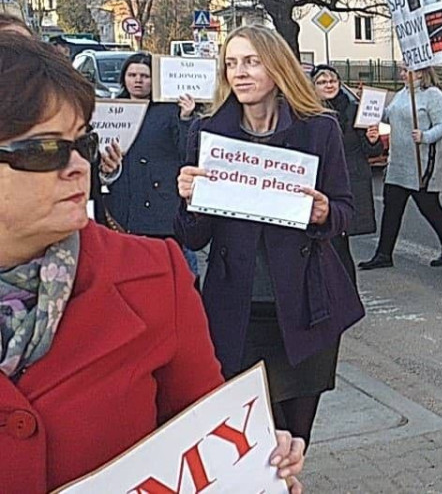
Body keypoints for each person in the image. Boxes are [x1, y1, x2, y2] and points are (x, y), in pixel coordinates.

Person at [0, 34, 306, 493]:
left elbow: (206, 443)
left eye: (82, 143)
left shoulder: (153, 275)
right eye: (44, 150)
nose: (78, 167)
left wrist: (253, 469)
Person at [176, 25, 365, 446]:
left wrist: (324, 213)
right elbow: (193, 238)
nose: (239, 72)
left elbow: (347, 211)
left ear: (277, 67)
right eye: (231, 63)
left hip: (303, 308)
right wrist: (189, 197)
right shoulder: (208, 134)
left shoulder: (319, 130)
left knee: (295, 442)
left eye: (251, 61)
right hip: (236, 311)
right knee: (256, 442)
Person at [94, 53, 200, 278]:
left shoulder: (170, 111)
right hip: (122, 203)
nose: (138, 80)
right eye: (132, 75)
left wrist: (185, 118)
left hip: (161, 207)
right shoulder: (112, 110)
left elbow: (187, 152)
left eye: (145, 76)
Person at [359, 68, 442, 270]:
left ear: (421, 73)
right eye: (402, 70)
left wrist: (425, 136)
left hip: (422, 163)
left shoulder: (433, 96)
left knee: (429, 208)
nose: (402, 74)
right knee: (391, 209)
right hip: (398, 162)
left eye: (407, 70)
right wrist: (370, 105)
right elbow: (390, 116)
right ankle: (383, 254)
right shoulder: (402, 93)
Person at [310, 65, 384, 282]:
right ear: (313, 87)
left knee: (339, 242)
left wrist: (373, 139)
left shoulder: (354, 110)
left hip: (349, 182)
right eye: (322, 82)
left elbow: (372, 151)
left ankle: (346, 295)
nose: (329, 85)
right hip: (320, 183)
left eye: (332, 81)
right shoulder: (308, 111)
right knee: (327, 243)